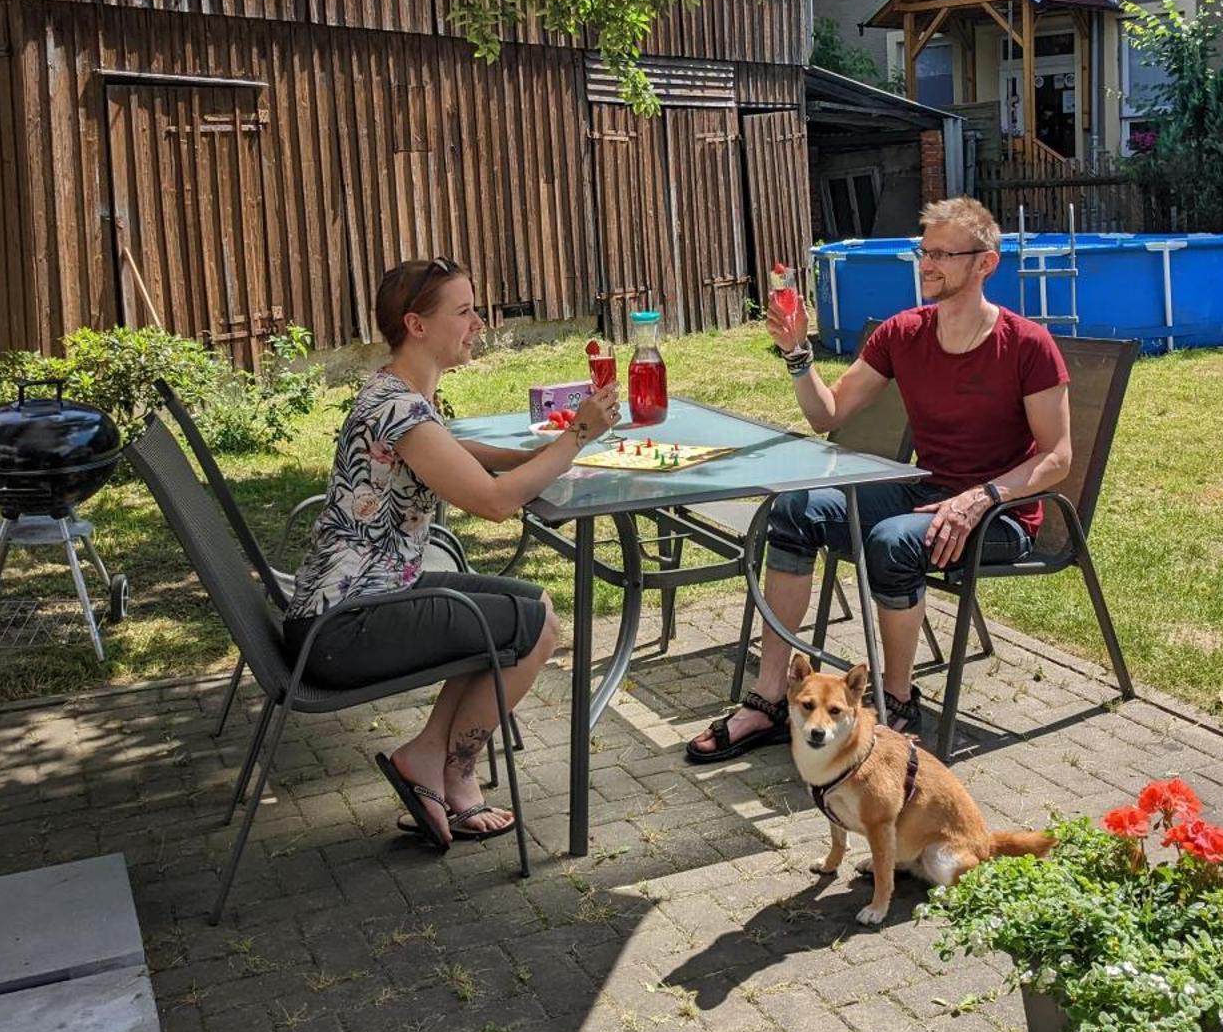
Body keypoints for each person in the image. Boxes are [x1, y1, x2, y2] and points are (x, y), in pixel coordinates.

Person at [687, 198, 1072, 760]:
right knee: (794, 510)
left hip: (1002, 513)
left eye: (942, 253)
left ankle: (896, 703)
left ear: (985, 263)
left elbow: (1057, 458)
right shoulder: (904, 333)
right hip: (925, 489)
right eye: (924, 251)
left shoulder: (1027, 345)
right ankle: (771, 699)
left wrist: (979, 498)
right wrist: (797, 353)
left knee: (892, 543)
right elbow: (827, 416)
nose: (927, 263)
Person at [290, 257, 619, 849]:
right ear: (416, 324)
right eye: (464, 312)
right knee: (530, 624)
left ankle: (430, 757)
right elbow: (493, 505)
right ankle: (455, 772)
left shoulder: (397, 393)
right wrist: (576, 438)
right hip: (343, 630)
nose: (479, 324)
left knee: (536, 613)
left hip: (354, 605)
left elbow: (449, 449)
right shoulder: (400, 408)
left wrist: (527, 457)